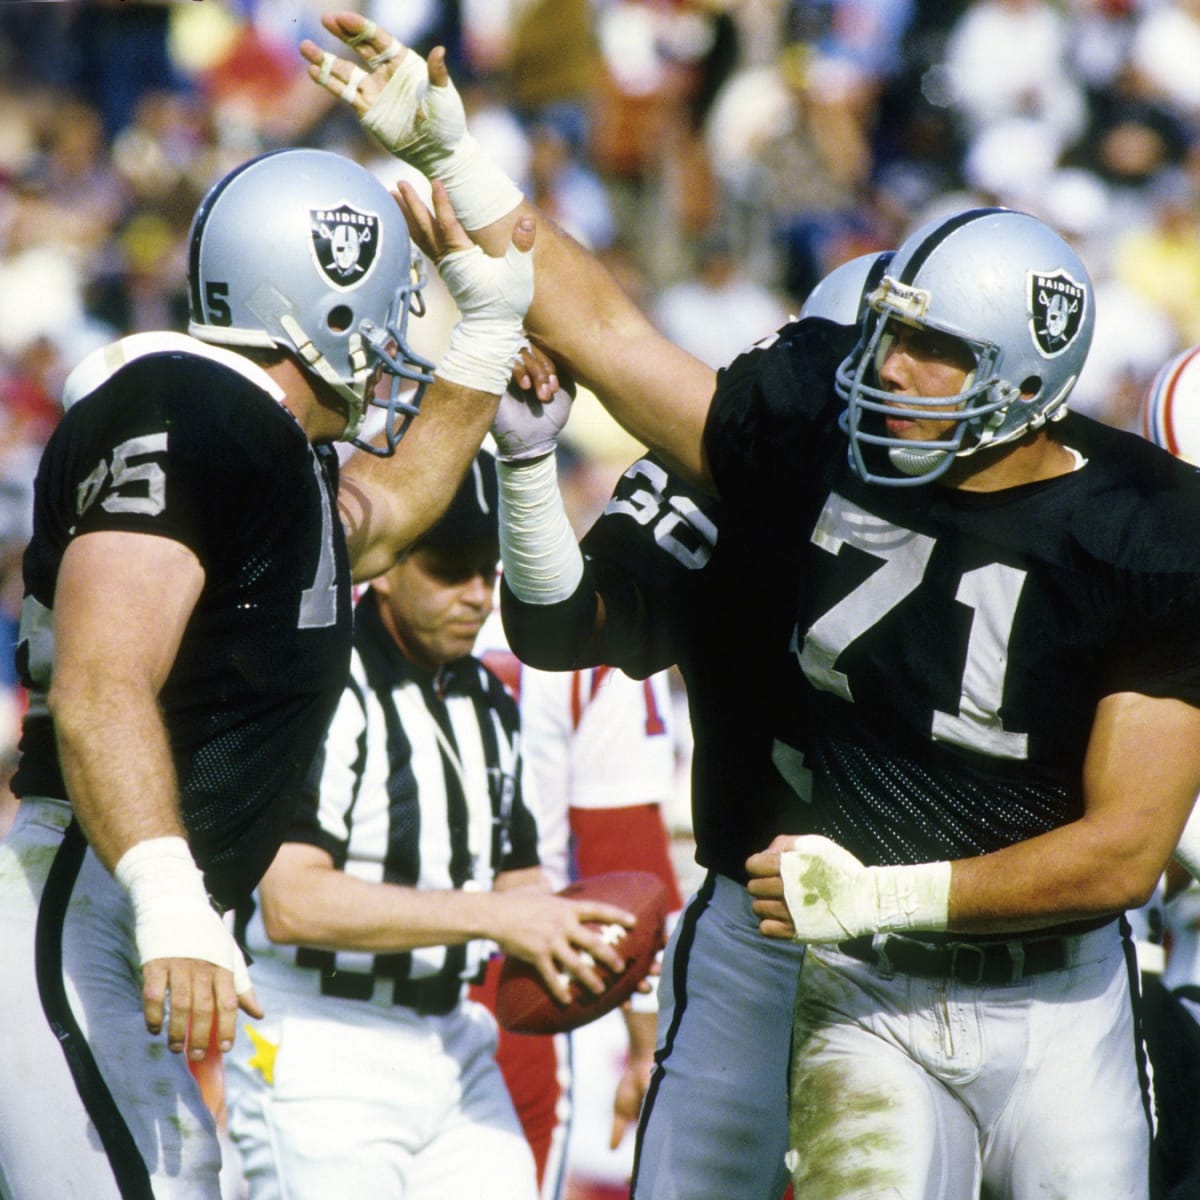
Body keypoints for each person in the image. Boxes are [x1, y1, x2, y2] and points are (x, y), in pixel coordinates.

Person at [302, 21, 1200, 1198]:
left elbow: (1126, 848)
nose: (883, 369)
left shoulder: (1146, 531)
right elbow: (609, 331)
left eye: (928, 350)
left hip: (1051, 990)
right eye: (886, 332)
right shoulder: (811, 429)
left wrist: (888, 889)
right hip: (859, 974)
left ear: (1026, 381)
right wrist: (457, 155)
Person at [0, 144, 550, 1200]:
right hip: (82, 903)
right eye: (385, 312)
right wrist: (166, 894)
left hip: (115, 907)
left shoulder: (268, 447)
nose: (396, 346)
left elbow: (383, 522)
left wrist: (486, 342)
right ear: (321, 307)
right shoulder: (186, 407)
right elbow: (101, 683)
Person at [221, 450, 635, 1200]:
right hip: (321, 1042)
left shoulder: (488, 699)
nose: (478, 596)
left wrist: (593, 956)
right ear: (383, 565)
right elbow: (292, 904)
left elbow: (521, 888)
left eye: (488, 568)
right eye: (449, 568)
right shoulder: (321, 685)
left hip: (452, 1038)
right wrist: (498, 918)